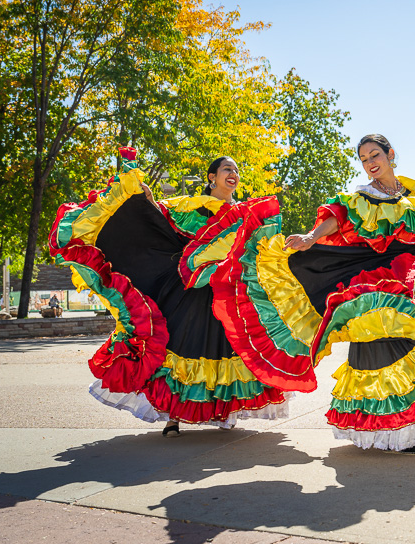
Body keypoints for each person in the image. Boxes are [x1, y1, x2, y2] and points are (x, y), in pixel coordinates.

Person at [213, 134, 415, 456]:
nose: (370, 163)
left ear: (390, 154)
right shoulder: (361, 198)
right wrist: (311, 237)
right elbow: (337, 216)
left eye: (374, 155)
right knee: (386, 340)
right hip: (378, 279)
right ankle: (400, 429)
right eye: (364, 159)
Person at [49, 150, 289, 437]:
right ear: (212, 177)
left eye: (235, 170)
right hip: (188, 295)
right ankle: (172, 417)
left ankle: (225, 413)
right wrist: (144, 197)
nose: (232, 174)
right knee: (180, 347)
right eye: (226, 169)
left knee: (225, 351)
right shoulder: (194, 207)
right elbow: (161, 218)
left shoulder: (246, 213)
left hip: (227, 295)